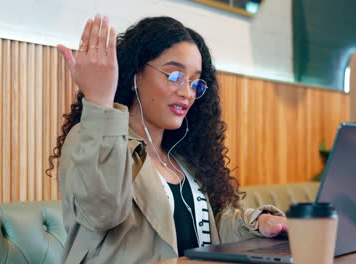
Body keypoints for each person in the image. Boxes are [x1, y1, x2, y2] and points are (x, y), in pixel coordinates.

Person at [48, 15, 288, 263]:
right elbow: (100, 212)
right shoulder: (88, 137)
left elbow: (208, 231)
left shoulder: (180, 156)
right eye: (174, 76)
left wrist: (258, 224)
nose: (187, 93)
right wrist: (100, 102)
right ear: (135, 74)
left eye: (195, 83)